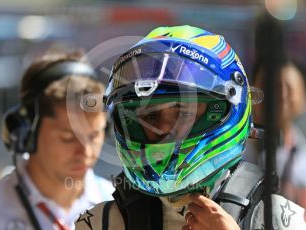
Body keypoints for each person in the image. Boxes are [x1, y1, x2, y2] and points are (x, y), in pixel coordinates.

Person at [75, 25, 306, 230]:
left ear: (223, 110)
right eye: (151, 117)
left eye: (183, 114)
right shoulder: (100, 222)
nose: (165, 131)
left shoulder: (282, 220)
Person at [0, 51, 114, 230]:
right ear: (26, 132)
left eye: (94, 135)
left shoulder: (121, 208)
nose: (86, 152)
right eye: (67, 138)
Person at [250, 58, 306, 220]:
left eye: (288, 88)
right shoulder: (231, 150)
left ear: (303, 98)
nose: (280, 95)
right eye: (270, 86)